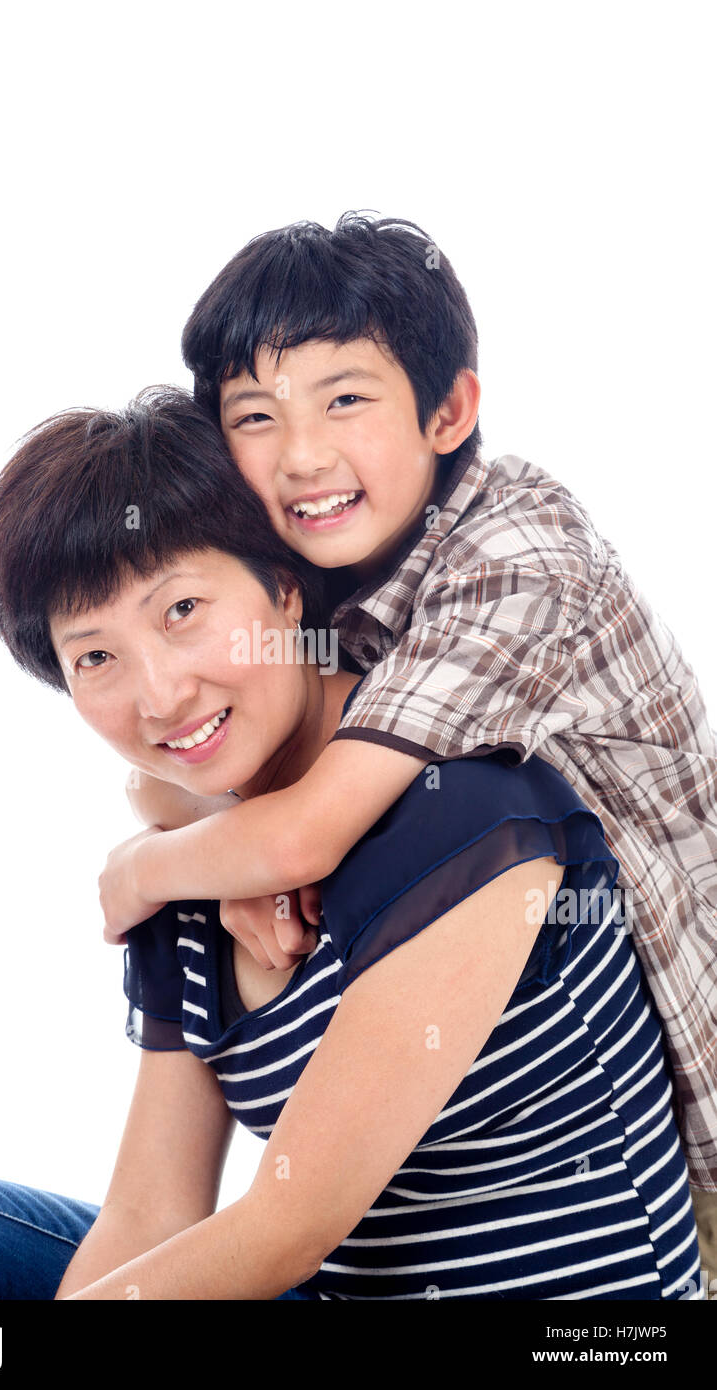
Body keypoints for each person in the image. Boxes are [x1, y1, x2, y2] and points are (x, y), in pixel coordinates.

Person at [0, 388, 702, 1299]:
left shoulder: (467, 809)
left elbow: (287, 1229)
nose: (160, 695)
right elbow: (150, 1216)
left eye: (181, 610)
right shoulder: (192, 871)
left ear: (285, 590)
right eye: (94, 656)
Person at [109, 215, 717, 1271]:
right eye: (255, 416)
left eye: (344, 398)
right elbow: (169, 769)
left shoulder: (516, 558)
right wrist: (227, 845)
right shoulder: (330, 553)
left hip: (677, 1113)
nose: (301, 455)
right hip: (501, 1056)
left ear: (448, 412)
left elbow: (305, 829)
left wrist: (144, 874)